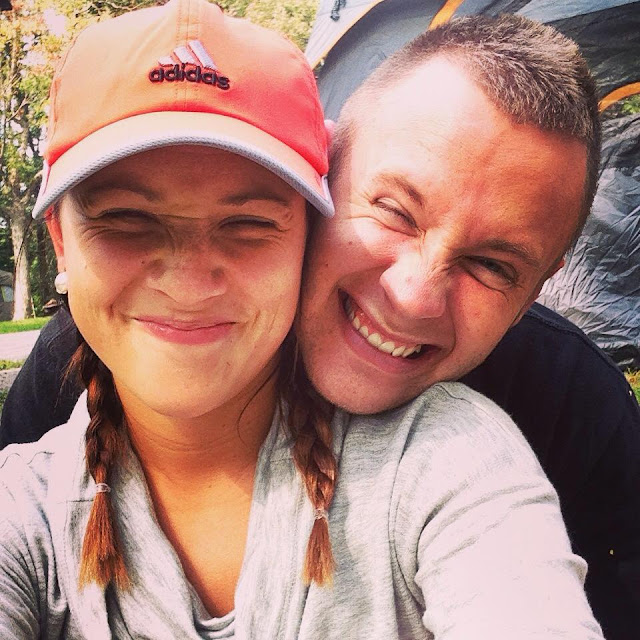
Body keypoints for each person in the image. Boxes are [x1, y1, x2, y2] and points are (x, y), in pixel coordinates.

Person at [0, 5, 608, 638]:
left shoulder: (481, 443)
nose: (412, 298)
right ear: (61, 241)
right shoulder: (31, 482)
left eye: (248, 223)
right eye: (126, 219)